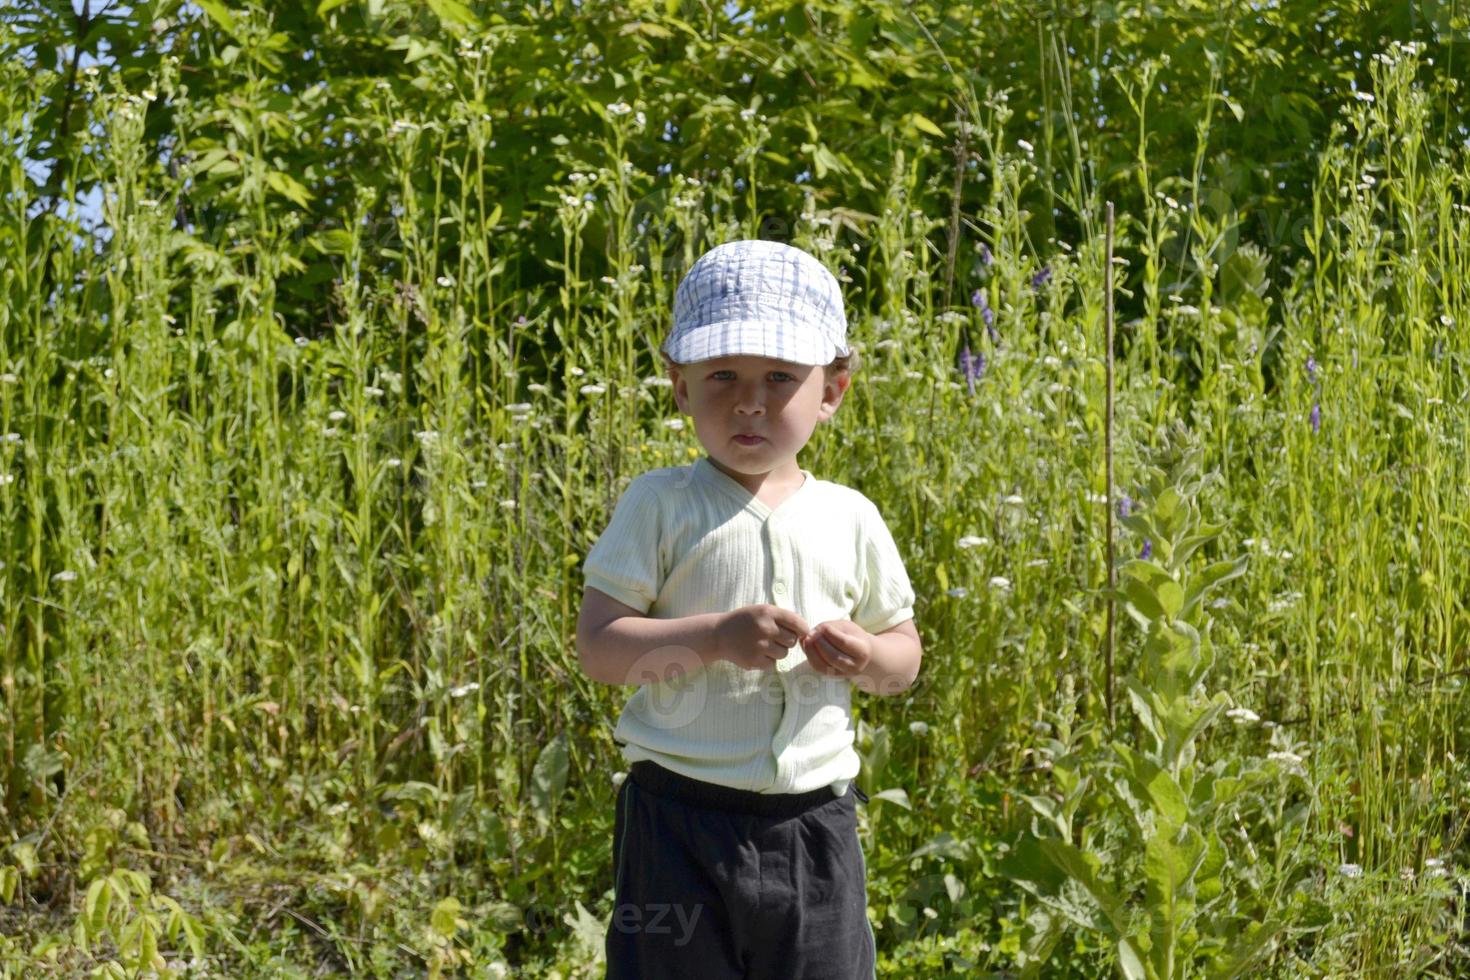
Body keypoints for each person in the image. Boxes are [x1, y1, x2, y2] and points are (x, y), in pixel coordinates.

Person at [575, 238, 922, 980]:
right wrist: (714, 636)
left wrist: (867, 655)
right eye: (722, 374)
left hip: (815, 824)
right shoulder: (661, 505)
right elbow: (600, 649)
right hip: (676, 823)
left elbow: (903, 655)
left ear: (831, 391)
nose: (749, 401)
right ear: (679, 384)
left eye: (780, 378)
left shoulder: (851, 516)